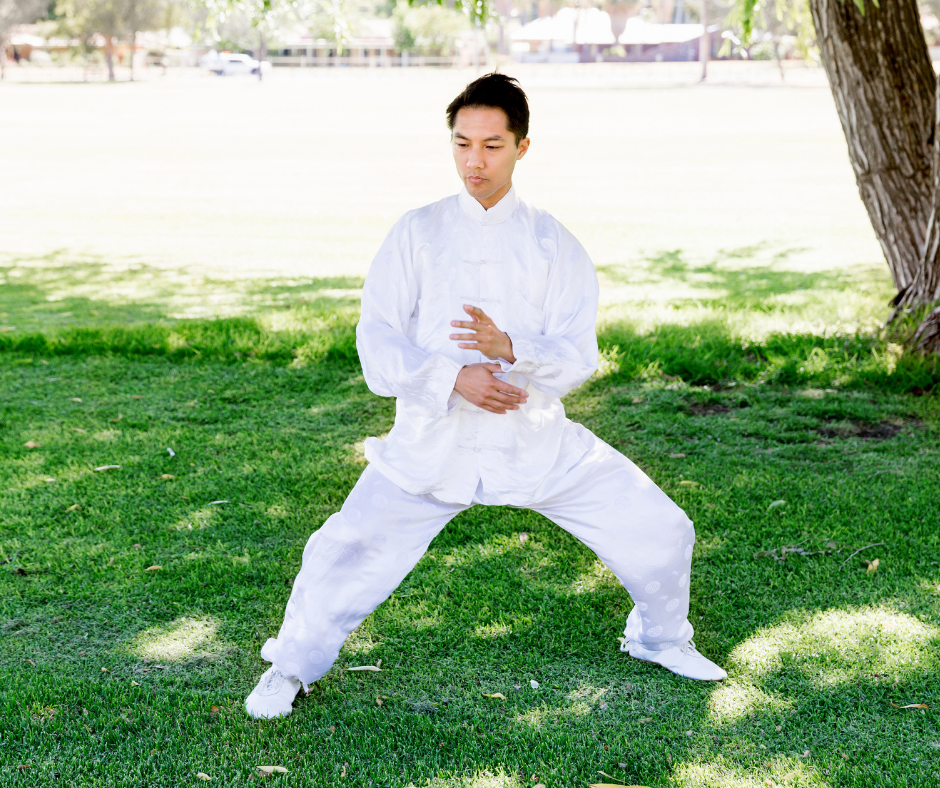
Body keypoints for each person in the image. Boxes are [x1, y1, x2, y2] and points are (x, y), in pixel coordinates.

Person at [245, 73, 726, 720]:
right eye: (462, 143)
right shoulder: (416, 233)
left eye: (493, 145)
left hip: (534, 442)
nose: (475, 160)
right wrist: (451, 378)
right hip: (428, 445)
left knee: (662, 527)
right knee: (344, 550)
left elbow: (578, 355)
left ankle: (660, 639)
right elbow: (378, 342)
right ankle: (290, 668)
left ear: (522, 148)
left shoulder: (553, 243)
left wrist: (510, 350)